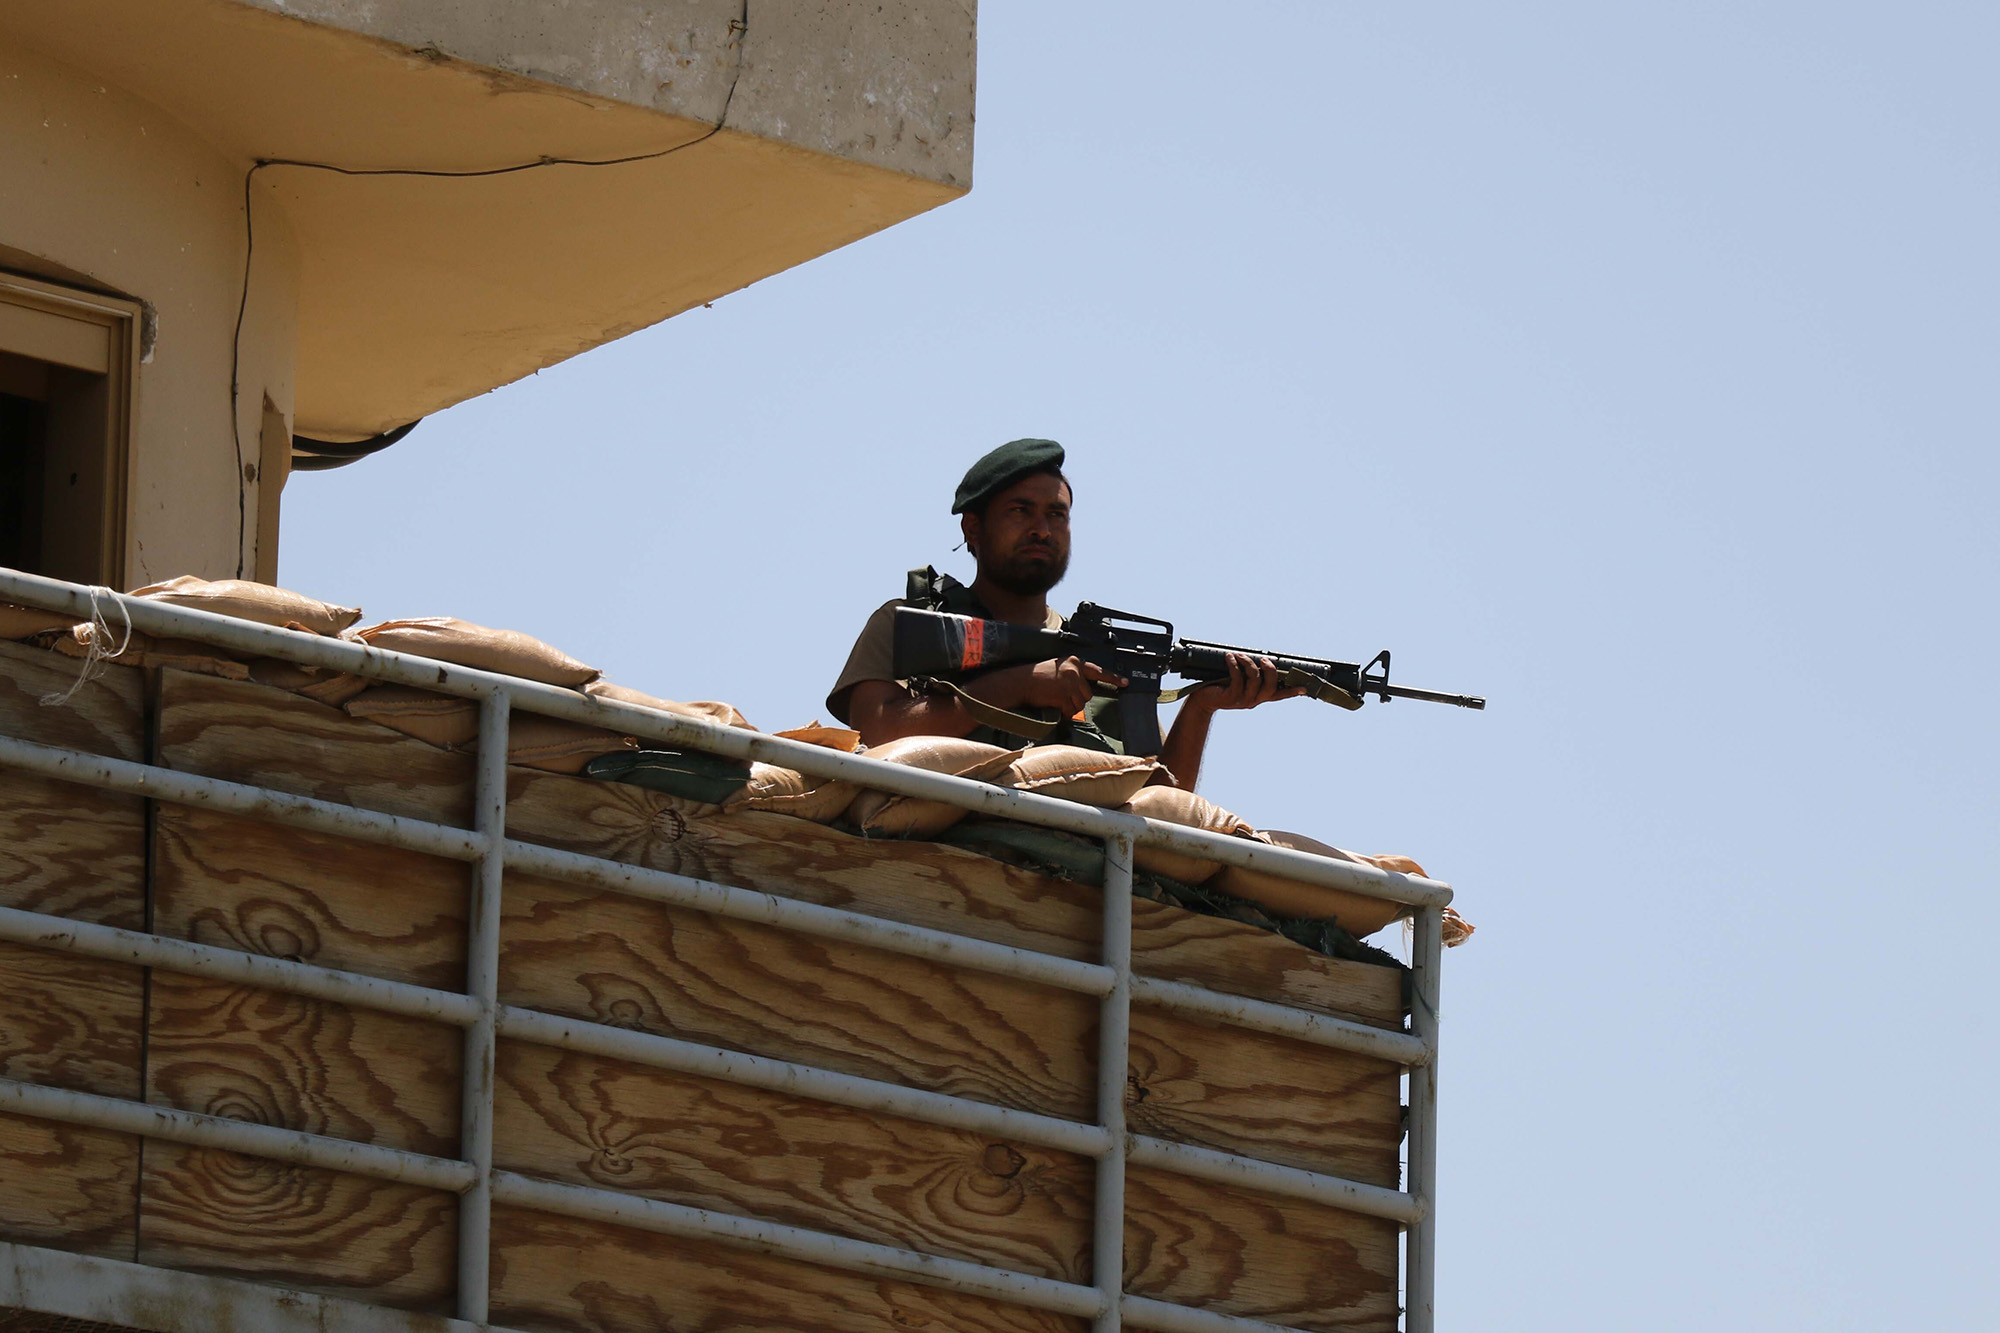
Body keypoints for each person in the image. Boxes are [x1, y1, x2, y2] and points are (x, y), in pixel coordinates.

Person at [826, 438, 1298, 792]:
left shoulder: (1103, 656)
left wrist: (1200, 707)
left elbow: (1160, 802)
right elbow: (877, 731)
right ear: (972, 528)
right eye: (1021, 510)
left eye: (1057, 515)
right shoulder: (910, 621)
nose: (1042, 529)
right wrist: (1019, 685)